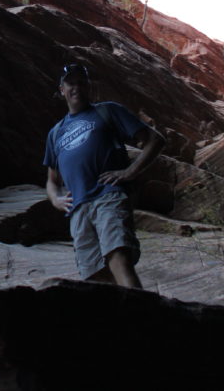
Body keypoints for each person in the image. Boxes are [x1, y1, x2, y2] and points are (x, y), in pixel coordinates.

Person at [44, 63, 166, 287]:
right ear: (62, 89)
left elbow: (155, 140)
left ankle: (147, 317)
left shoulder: (107, 111)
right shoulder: (55, 133)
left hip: (108, 197)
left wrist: (129, 172)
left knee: (118, 259)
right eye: (71, 83)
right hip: (78, 209)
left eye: (82, 82)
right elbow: (52, 180)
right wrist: (56, 199)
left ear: (89, 86)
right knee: (94, 278)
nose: (76, 87)